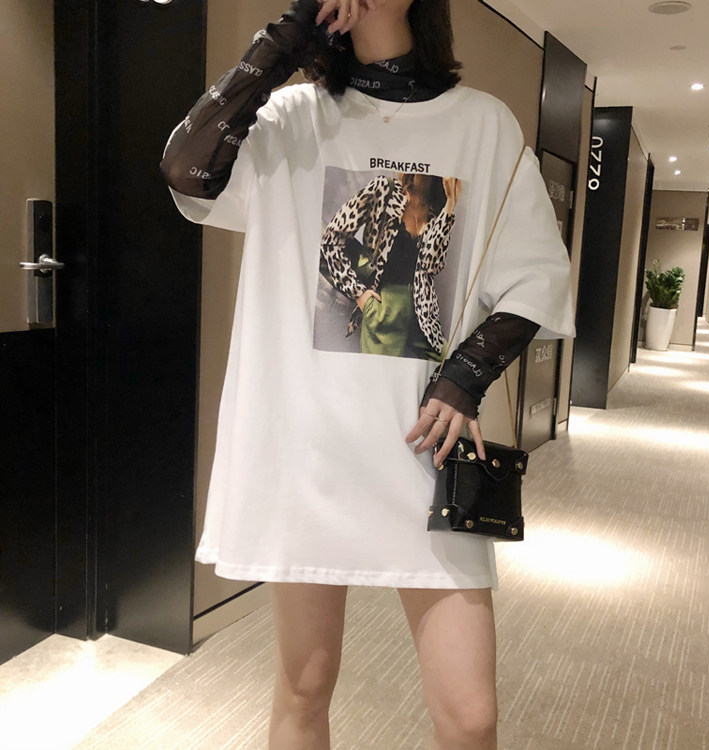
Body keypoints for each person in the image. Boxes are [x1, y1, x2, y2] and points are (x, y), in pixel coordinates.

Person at [161, 0, 575, 747]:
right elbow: (186, 171)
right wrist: (288, 39)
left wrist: (467, 374)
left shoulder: (482, 125)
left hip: (423, 453)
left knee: (471, 717)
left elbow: (538, 277)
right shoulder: (292, 117)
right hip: (307, 451)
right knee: (305, 686)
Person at [319, 171, 461, 359]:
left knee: (445, 366)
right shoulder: (385, 189)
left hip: (422, 315)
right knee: (381, 375)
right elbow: (331, 239)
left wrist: (449, 206)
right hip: (383, 309)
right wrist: (359, 294)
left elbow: (432, 266)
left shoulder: (438, 209)